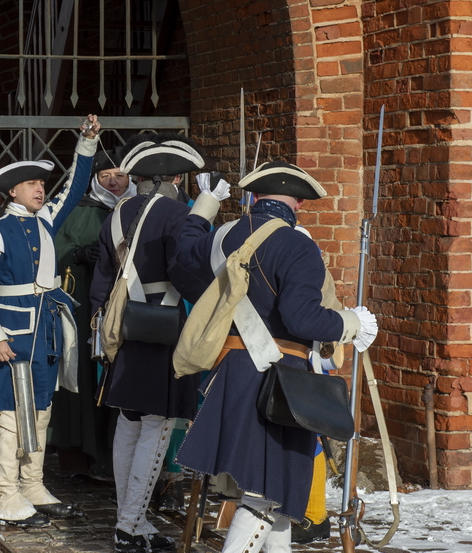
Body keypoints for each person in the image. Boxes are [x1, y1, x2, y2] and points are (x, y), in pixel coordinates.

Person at [170, 161, 378, 553]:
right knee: (266, 493)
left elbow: (181, 254)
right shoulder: (298, 244)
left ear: (255, 196)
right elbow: (302, 318)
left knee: (279, 490)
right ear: (298, 201)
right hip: (277, 379)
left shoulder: (222, 237)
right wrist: (352, 323)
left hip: (229, 371)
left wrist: (206, 204)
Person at [88, 133, 228, 553]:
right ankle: (131, 527)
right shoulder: (173, 213)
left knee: (129, 420)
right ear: (177, 179)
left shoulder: (118, 212)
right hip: (164, 326)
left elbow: (100, 279)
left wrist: (102, 320)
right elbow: (187, 269)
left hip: (126, 326)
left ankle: (126, 520)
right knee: (158, 422)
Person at [0, 114, 99, 527]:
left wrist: (87, 143)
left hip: (46, 331)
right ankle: (6, 495)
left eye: (42, 184)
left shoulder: (44, 219)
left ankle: (33, 483)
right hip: (14, 336)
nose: (41, 189)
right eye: (32, 184)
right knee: (10, 418)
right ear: (12, 192)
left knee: (41, 411)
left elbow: (76, 188)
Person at [49, 146, 136, 479]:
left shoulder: (140, 209)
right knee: (84, 382)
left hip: (131, 309)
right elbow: (53, 253)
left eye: (119, 175)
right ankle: (81, 458)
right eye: (105, 176)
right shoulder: (79, 211)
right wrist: (79, 254)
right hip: (87, 307)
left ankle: (120, 461)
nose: (113, 183)